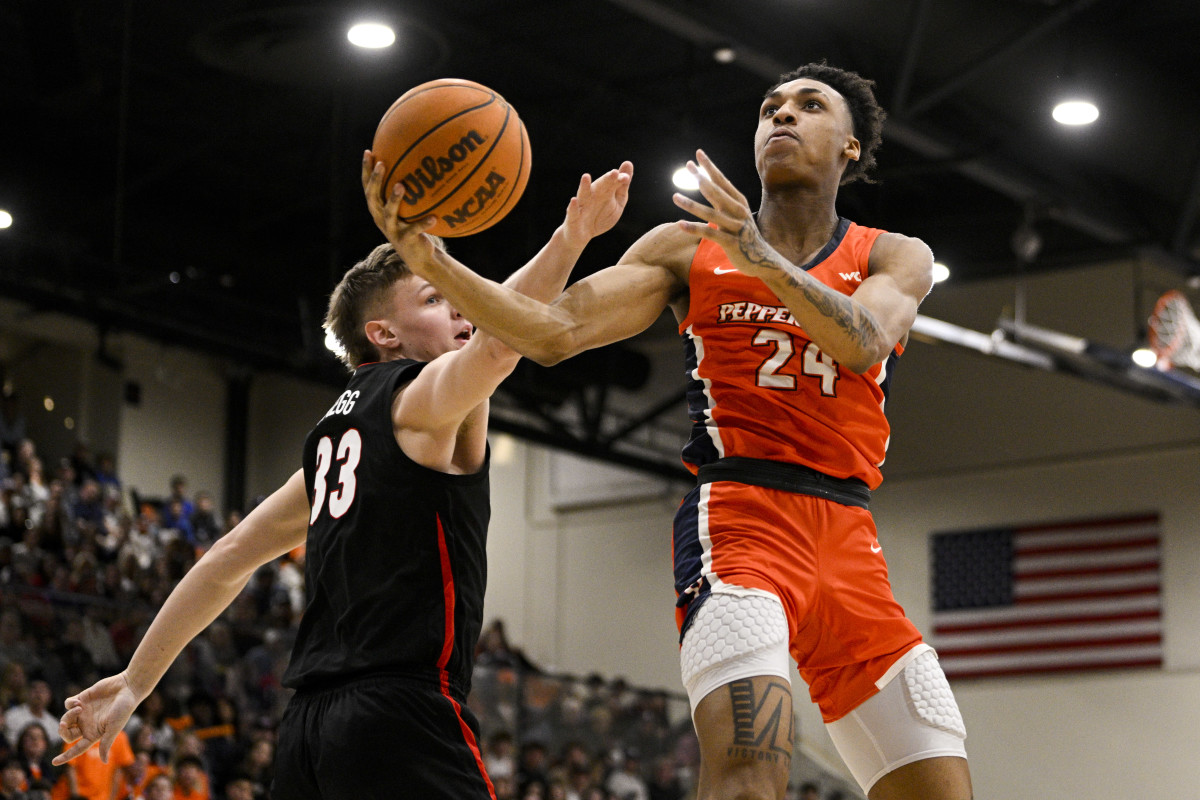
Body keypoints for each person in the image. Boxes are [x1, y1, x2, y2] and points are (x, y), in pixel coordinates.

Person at [363, 61, 972, 800]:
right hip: (741, 525)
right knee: (751, 776)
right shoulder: (686, 249)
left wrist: (762, 259)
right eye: (769, 108)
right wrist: (436, 263)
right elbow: (554, 332)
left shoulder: (891, 253)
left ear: (850, 147)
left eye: (809, 107)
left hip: (851, 541)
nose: (782, 117)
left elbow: (864, 340)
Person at [50, 160, 633, 800]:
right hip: (400, 715)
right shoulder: (419, 401)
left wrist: (136, 679)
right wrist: (571, 236)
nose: (461, 306)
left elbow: (226, 557)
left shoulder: (330, 438)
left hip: (309, 731)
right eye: (435, 298)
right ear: (382, 334)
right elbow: (500, 340)